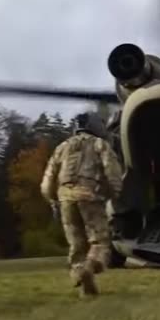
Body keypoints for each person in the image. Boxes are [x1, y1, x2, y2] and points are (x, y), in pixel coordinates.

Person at [41, 112, 124, 297]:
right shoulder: (99, 144)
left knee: (76, 244)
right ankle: (89, 267)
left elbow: (48, 178)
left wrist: (51, 199)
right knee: (100, 241)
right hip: (90, 196)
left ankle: (85, 285)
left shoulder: (62, 147)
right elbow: (112, 171)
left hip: (65, 199)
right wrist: (114, 193)